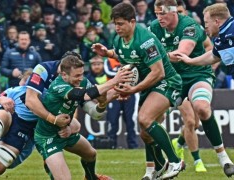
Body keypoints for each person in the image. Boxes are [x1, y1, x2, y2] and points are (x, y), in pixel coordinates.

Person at [92, 2, 185, 180]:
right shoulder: (118, 39)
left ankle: (174, 161)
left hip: (167, 81)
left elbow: (159, 72)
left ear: (132, 22)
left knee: (144, 118)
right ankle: (155, 168)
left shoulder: (145, 40)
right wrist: (108, 53)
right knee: (145, 132)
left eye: (120, 24)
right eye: (115, 24)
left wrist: (133, 89)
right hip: (149, 84)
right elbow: (126, 54)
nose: (116, 28)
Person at [149, 0, 234, 178]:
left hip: (197, 76)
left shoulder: (190, 26)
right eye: (156, 13)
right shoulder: (154, 28)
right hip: (174, 79)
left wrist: (151, 54)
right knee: (148, 119)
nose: (158, 17)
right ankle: (157, 167)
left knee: (198, 113)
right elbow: (213, 54)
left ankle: (220, 158)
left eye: (162, 13)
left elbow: (183, 53)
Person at [34, 52, 131, 180]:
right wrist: (114, 81)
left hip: (67, 132)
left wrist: (112, 95)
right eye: (77, 75)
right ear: (64, 75)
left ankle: (91, 178)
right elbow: (85, 95)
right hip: (48, 137)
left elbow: (96, 112)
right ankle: (51, 162)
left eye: (82, 74)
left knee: (90, 154)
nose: (81, 78)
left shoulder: (82, 81)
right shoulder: (58, 86)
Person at [176, 3, 234, 79]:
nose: (205, 26)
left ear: (216, 22)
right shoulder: (220, 39)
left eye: (206, 22)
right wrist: (190, 60)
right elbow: (213, 56)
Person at [104, 57, 138, 149]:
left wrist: (120, 74)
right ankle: (111, 145)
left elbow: (137, 73)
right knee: (112, 120)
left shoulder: (131, 59)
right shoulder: (109, 60)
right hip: (114, 93)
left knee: (130, 121)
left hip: (129, 93)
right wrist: (125, 73)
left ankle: (133, 146)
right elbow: (108, 72)